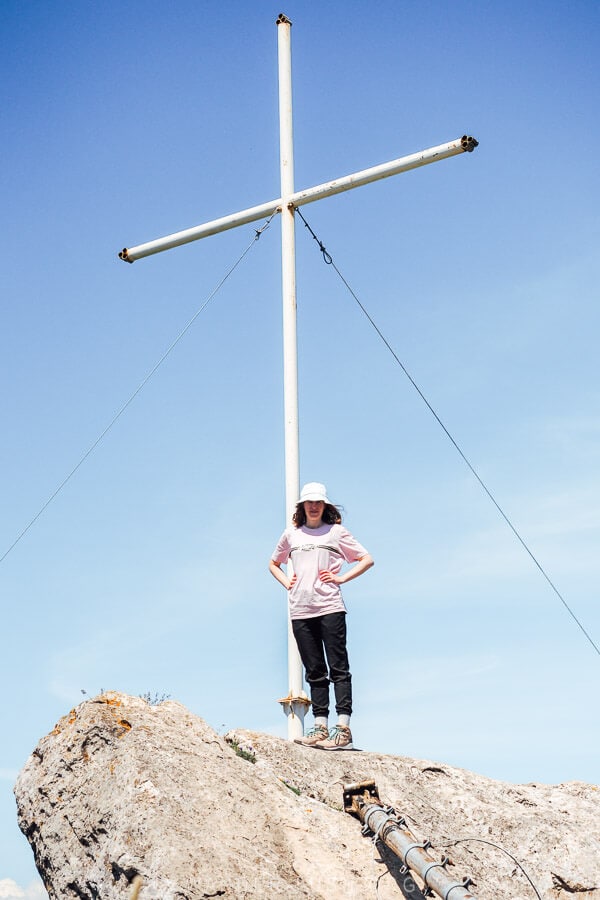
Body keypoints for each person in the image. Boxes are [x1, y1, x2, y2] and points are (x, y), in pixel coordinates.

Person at [269, 482, 374, 750]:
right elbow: (273, 563)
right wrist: (287, 582)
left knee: (338, 667)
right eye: (309, 502)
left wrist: (341, 577)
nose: (313, 506)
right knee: (315, 670)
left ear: (324, 505)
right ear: (302, 506)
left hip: (330, 606)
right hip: (300, 609)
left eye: (318, 502)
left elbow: (365, 559)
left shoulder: (336, 533)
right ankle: (320, 727)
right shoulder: (292, 535)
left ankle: (343, 728)